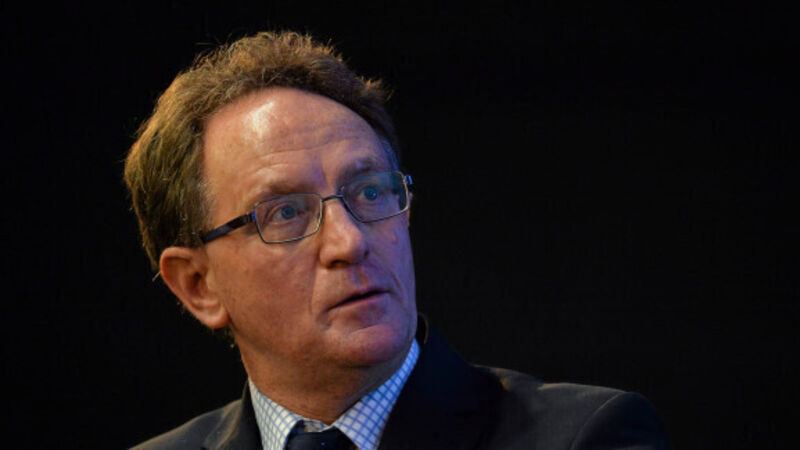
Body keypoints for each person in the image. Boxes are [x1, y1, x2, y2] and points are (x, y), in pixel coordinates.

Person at [125, 31, 669, 449]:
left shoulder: (588, 437)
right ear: (198, 285)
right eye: (286, 212)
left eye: (368, 193)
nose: (349, 243)